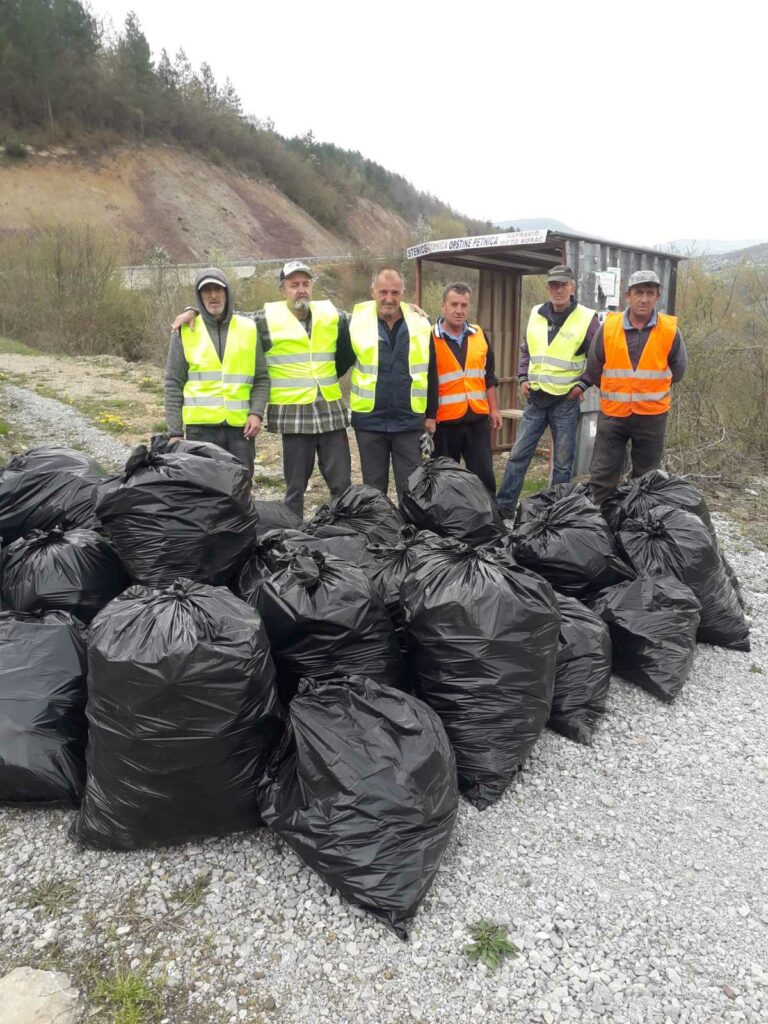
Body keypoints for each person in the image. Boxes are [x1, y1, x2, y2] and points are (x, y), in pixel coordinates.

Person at [172, 260, 352, 519]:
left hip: (330, 411)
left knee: (342, 485)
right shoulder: (265, 319)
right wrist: (194, 311)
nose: (300, 290)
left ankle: (346, 533)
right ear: (283, 291)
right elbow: (224, 316)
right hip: (294, 416)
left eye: (305, 284)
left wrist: (409, 311)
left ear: (312, 287)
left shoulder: (332, 315)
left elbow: (367, 322)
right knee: (295, 490)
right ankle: (293, 540)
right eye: (294, 285)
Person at [496, 265, 599, 516]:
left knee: (562, 463)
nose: (558, 290)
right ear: (548, 288)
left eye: (563, 285)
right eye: (554, 285)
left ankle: (557, 513)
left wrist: (582, 385)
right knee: (519, 454)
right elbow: (526, 350)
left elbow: (599, 358)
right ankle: (503, 508)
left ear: (572, 287)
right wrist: (522, 378)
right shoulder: (536, 313)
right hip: (535, 398)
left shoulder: (587, 318)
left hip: (566, 400)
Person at [587, 269, 687, 505]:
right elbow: (594, 368)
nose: (644, 299)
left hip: (652, 416)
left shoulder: (670, 330)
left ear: (657, 296)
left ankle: (639, 527)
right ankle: (597, 524)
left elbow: (678, 371)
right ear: (627, 296)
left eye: (649, 293)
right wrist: (619, 390)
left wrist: (647, 390)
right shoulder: (608, 328)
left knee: (646, 476)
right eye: (638, 292)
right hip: (613, 414)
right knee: (603, 474)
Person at [337, 267, 434, 499]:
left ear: (403, 292)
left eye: (394, 292)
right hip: (370, 421)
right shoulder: (356, 323)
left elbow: (432, 371)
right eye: (383, 292)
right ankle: (379, 533)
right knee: (373, 488)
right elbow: (337, 366)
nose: (388, 298)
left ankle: (410, 533)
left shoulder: (420, 324)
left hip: (409, 421)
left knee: (412, 487)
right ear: (372, 291)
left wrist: (431, 414)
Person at [164, 267, 269, 477]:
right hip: (199, 431)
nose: (213, 295)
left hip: (241, 431)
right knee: (203, 493)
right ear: (199, 296)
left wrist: (256, 413)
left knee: (240, 490)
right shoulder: (185, 331)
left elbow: (261, 378)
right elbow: (173, 383)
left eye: (218, 289)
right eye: (206, 290)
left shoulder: (248, 328)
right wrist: (175, 433)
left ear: (227, 292)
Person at [424, 282, 502, 494]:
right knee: (445, 480)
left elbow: (489, 376)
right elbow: (426, 381)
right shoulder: (429, 338)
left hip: (477, 420)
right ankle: (447, 522)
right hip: (445, 424)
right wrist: (428, 417)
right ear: (443, 306)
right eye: (454, 304)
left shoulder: (479, 335)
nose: (459, 310)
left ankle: (488, 519)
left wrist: (494, 409)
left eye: (464, 305)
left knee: (484, 477)